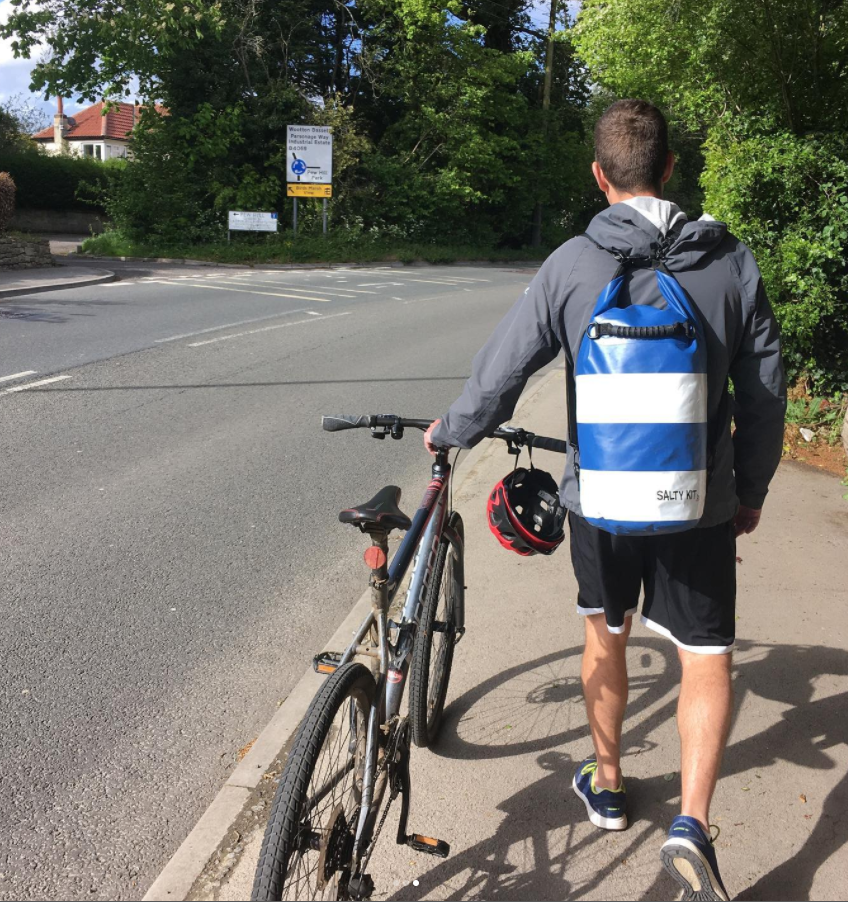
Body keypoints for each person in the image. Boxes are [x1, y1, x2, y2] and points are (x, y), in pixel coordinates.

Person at [423, 99, 786, 901]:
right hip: (700, 500)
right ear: (669, 170)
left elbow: (504, 368)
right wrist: (750, 491)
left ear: (599, 176)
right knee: (706, 656)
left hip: (601, 499)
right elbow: (763, 394)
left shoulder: (573, 264)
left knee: (606, 635)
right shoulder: (729, 263)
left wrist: (454, 430)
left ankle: (611, 782)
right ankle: (692, 825)